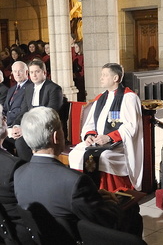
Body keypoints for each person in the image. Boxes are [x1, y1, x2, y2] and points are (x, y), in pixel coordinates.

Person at [14, 106, 143, 240]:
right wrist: (113, 204)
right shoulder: (75, 181)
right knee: (132, 211)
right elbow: (106, 220)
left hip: (44, 239)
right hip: (77, 238)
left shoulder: (18, 174)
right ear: (56, 137)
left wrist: (93, 197)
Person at [69, 63, 144, 192]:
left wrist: (108, 137)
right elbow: (90, 123)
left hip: (119, 145)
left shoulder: (129, 98)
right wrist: (89, 136)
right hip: (98, 142)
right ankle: (83, 192)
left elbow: (131, 127)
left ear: (115, 78)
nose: (101, 78)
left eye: (104, 75)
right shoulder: (100, 98)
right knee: (75, 153)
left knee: (104, 158)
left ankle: (110, 193)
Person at [13, 59, 63, 161]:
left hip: (47, 128)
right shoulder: (29, 88)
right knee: (7, 139)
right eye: (31, 72)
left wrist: (27, 129)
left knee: (20, 142)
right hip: (30, 126)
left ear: (44, 73)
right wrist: (16, 125)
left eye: (37, 72)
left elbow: (51, 114)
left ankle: (30, 169)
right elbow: (23, 110)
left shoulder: (54, 88)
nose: (34, 75)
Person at [0, 104, 35, 244]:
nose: (4, 118)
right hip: (16, 235)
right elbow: (31, 206)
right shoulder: (13, 166)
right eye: (2, 116)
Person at [3, 61, 32, 155]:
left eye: (20, 71)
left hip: (20, 126)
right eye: (15, 71)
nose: (17, 74)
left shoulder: (31, 87)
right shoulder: (11, 89)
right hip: (7, 126)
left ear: (26, 72)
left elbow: (27, 110)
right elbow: (6, 109)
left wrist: (17, 126)